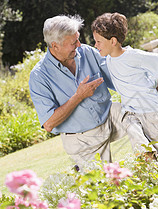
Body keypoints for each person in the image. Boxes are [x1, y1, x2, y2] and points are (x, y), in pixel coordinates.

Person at [29, 15, 128, 168]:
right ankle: (84, 173)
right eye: (73, 42)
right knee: (103, 185)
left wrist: (152, 91)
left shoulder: (86, 52)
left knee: (143, 115)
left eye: (78, 39)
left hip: (109, 116)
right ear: (55, 46)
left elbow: (118, 77)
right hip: (82, 140)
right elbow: (49, 124)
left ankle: (156, 165)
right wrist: (78, 96)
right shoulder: (39, 77)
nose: (79, 44)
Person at [91, 12, 158, 159]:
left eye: (98, 41)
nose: (95, 45)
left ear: (113, 41)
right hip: (132, 115)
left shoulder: (133, 56)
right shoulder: (110, 60)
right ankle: (151, 174)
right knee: (145, 154)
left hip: (152, 112)